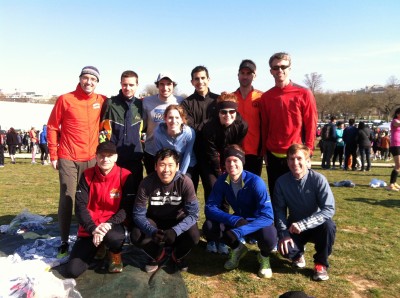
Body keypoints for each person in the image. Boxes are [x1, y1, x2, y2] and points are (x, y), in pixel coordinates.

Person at [47, 66, 106, 257]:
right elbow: (53, 127)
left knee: (90, 200)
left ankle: (87, 236)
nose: (89, 82)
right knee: (68, 197)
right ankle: (64, 240)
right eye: (86, 78)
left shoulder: (101, 100)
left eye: (93, 79)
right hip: (68, 157)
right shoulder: (66, 99)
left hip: (91, 158)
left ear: (97, 82)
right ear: (80, 78)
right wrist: (53, 155)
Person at [203, 145, 277, 278]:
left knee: (270, 236)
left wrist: (240, 231)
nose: (232, 164)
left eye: (235, 160)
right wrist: (234, 220)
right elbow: (210, 208)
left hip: (257, 222)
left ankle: (264, 257)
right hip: (238, 220)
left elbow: (268, 216)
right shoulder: (222, 180)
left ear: (242, 161)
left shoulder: (255, 182)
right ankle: (238, 249)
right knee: (209, 227)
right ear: (224, 163)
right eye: (228, 161)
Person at [65, 142, 136, 278]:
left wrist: (109, 223)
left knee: (114, 238)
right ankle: (99, 247)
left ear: (116, 157)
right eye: (102, 156)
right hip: (91, 226)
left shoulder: (125, 175)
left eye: (110, 156)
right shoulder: (86, 175)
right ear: (96, 157)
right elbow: (80, 206)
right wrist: (92, 228)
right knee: (72, 270)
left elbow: (127, 207)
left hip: (112, 225)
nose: (105, 159)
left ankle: (114, 252)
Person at [259, 52, 318, 201]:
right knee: (277, 197)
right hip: (273, 156)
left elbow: (311, 124)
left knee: (298, 198)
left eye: (283, 67)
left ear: (290, 68)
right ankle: (279, 225)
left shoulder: (304, 93)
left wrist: (308, 151)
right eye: (276, 67)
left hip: (296, 156)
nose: (280, 71)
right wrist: (264, 151)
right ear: (271, 71)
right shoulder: (266, 97)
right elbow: (265, 125)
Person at [131, 148, 200, 273]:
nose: (166, 170)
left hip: (178, 219)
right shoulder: (146, 183)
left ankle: (177, 255)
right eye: (162, 165)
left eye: (170, 165)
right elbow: (138, 214)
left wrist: (175, 230)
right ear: (155, 166)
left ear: (177, 166)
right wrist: (151, 231)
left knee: (194, 236)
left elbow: (193, 214)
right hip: (155, 220)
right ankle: (157, 254)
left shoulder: (185, 182)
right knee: (136, 235)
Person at [274, 144, 336, 281]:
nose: (295, 163)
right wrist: (283, 234)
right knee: (284, 247)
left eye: (299, 158)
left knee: (329, 226)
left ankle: (320, 264)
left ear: (308, 162)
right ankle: (297, 255)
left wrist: (304, 224)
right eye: (291, 159)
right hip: (294, 226)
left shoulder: (318, 179)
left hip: (316, 225)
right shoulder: (281, 182)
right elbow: (279, 210)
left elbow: (329, 209)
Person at [201, 92, 248, 254]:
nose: (228, 115)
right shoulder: (208, 127)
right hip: (209, 163)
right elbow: (212, 154)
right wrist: (221, 173)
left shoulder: (242, 125)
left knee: (227, 197)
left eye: (231, 112)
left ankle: (223, 236)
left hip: (229, 162)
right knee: (213, 193)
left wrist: (230, 171)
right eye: (223, 112)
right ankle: (211, 237)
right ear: (218, 112)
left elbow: (236, 150)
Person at [101, 70, 144, 192]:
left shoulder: (141, 105)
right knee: (113, 193)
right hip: (114, 158)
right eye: (125, 84)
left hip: (135, 158)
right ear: (120, 84)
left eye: (131, 85)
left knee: (134, 194)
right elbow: (99, 127)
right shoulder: (110, 103)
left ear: (137, 85)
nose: (127, 88)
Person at [181, 66, 219, 193]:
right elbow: (190, 127)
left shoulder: (218, 100)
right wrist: (210, 123)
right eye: (196, 79)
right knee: (188, 192)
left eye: (203, 78)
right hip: (192, 153)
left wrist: (202, 126)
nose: (200, 81)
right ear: (192, 81)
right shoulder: (186, 103)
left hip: (211, 155)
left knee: (213, 190)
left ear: (209, 79)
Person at [142, 73, 183, 174]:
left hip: (173, 152)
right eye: (162, 84)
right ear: (157, 85)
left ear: (173, 85)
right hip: (152, 151)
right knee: (153, 187)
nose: (165, 87)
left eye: (169, 84)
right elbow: (142, 125)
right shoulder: (147, 101)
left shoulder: (181, 101)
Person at [144, 104, 196, 175]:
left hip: (186, 164)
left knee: (185, 182)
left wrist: (180, 175)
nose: (173, 121)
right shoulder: (158, 132)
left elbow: (187, 156)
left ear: (182, 120)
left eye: (177, 117)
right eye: (170, 117)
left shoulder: (189, 133)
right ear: (165, 119)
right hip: (168, 164)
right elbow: (160, 156)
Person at [233, 59, 263, 176]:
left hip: (255, 151)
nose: (245, 76)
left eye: (249, 73)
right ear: (238, 75)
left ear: (254, 76)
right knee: (235, 187)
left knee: (252, 186)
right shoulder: (231, 98)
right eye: (242, 73)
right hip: (235, 150)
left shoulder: (261, 97)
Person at [387, 108, 400, 191]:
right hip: (395, 145)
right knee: (398, 165)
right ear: (398, 113)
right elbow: (398, 124)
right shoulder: (394, 121)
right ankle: (391, 185)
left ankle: (394, 182)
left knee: (398, 166)